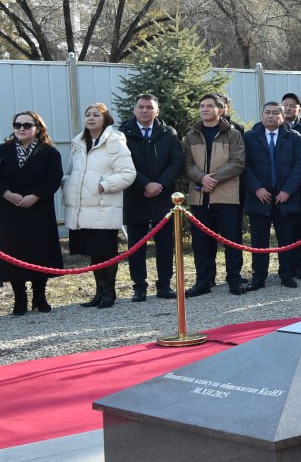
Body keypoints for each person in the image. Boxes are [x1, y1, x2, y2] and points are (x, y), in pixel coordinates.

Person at [64, 102, 137, 308]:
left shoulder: (115, 141)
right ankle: (98, 292)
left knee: (106, 252)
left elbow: (128, 173)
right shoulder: (78, 142)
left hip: (104, 206)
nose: (91, 118)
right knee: (94, 253)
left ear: (106, 119)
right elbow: (70, 172)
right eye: (88, 114)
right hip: (83, 207)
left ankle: (109, 293)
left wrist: (104, 185)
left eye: (96, 115)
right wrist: (68, 185)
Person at [120, 94, 183, 302]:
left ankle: (164, 284)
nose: (145, 111)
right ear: (134, 110)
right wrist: (145, 184)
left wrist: (159, 184)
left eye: (149, 107)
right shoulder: (123, 133)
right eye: (141, 107)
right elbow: (123, 163)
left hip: (162, 196)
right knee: (136, 245)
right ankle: (139, 287)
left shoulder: (168, 133)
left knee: (165, 244)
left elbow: (176, 161)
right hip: (135, 194)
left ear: (157, 111)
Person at [183, 94, 247, 296]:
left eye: (209, 106)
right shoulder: (191, 135)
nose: (204, 109)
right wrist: (202, 178)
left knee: (232, 240)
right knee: (201, 242)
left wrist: (214, 179)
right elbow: (187, 164)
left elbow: (238, 162)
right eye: (202, 106)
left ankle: (234, 280)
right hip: (200, 196)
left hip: (226, 196)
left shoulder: (232, 134)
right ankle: (204, 281)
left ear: (220, 110)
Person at [0, 111, 63, 315]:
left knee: (39, 252)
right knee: (14, 253)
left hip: (38, 209)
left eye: (27, 125)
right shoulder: (3, 150)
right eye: (17, 125)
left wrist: (35, 196)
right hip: (10, 210)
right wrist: (7, 194)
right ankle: (20, 297)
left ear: (37, 127)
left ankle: (40, 295)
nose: (21, 129)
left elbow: (54, 178)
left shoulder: (49, 152)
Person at [242, 101, 301, 290]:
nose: (271, 116)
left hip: (285, 197)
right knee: (259, 240)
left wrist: (287, 190)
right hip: (258, 197)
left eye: (275, 113)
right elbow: (243, 165)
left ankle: (286, 274)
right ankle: (259, 276)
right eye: (267, 112)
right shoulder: (250, 137)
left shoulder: (293, 137)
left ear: (282, 116)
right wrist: (256, 188)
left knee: (287, 238)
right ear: (262, 115)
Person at [280, 92, 301, 276]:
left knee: (299, 229)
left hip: (300, 188)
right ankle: (286, 264)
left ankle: (300, 262)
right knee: (285, 230)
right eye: (285, 105)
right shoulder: (274, 129)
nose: (288, 108)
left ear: (299, 109)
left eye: (292, 105)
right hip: (279, 189)